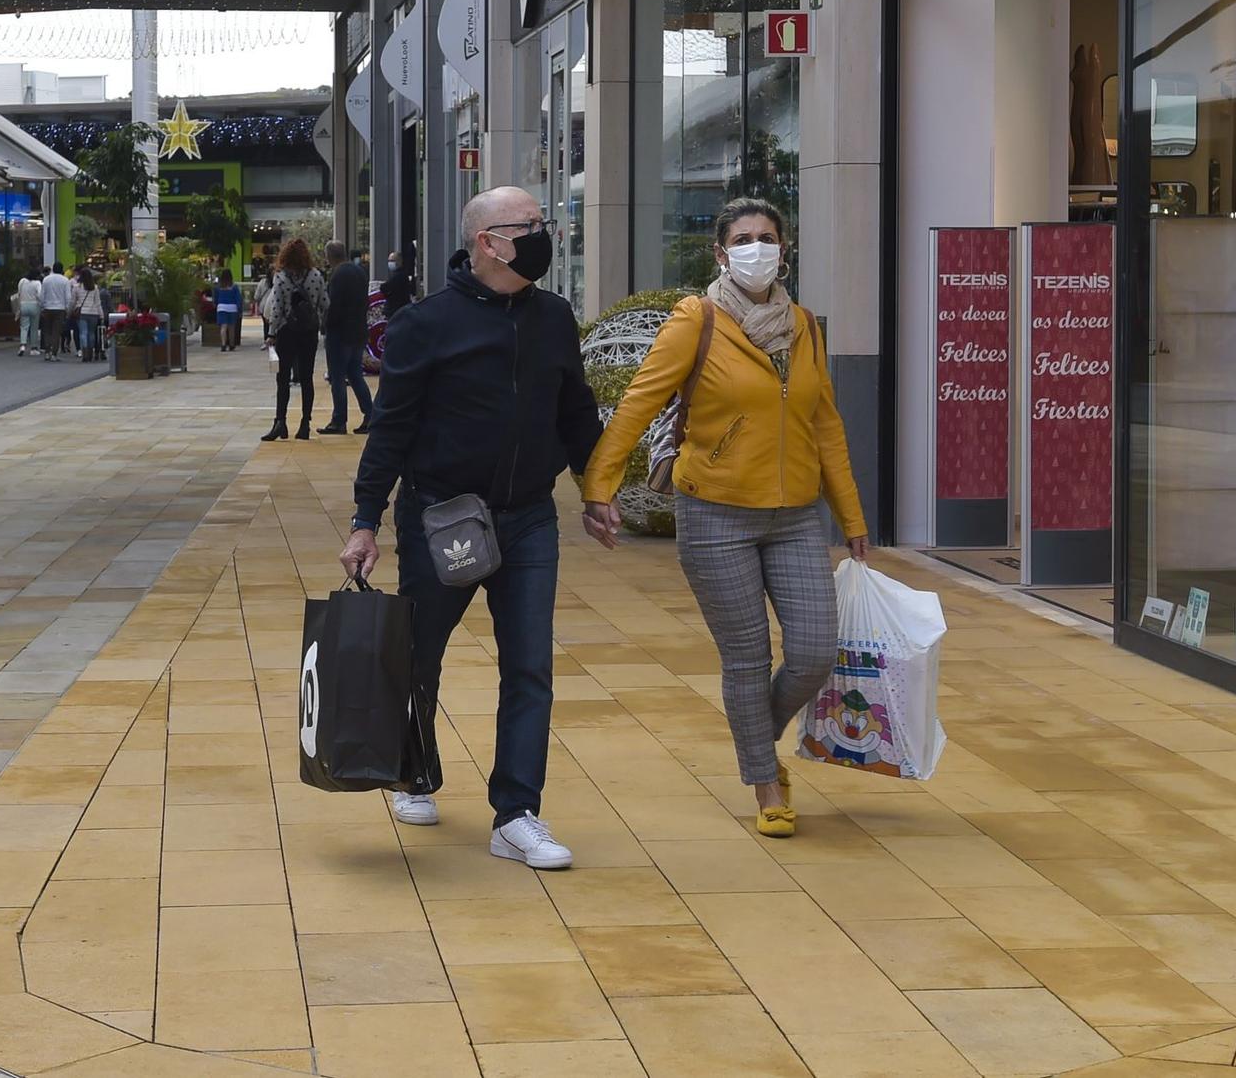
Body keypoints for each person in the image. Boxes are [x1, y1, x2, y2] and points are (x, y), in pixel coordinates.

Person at [582, 198, 869, 839]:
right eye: (744, 238)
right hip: (714, 515)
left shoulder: (802, 326)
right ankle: (766, 782)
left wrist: (851, 515)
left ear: (784, 249)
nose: (757, 248)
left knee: (815, 652)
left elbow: (826, 426)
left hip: (796, 516)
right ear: (721, 252)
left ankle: (754, 739)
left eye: (768, 237)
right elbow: (636, 404)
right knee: (746, 657)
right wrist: (599, 486)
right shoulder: (696, 320)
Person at [339, 187, 600, 871]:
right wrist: (366, 519)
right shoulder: (427, 323)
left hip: (530, 518)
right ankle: (414, 771)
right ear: (489, 241)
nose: (545, 235)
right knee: (420, 655)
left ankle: (516, 812)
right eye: (531, 226)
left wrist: (597, 488)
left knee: (529, 664)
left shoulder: (553, 317)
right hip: (443, 517)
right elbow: (390, 427)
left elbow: (576, 412)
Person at [260, 238, 326, 441]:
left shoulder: (281, 277)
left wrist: (271, 334)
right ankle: (305, 424)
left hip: (286, 332)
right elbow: (325, 303)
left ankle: (280, 422)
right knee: (307, 378)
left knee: (283, 379)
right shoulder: (316, 276)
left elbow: (277, 308)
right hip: (308, 332)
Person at [319, 241, 374, 435]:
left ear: (329, 256)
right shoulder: (359, 272)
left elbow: (334, 306)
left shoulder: (338, 274)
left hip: (340, 333)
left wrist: (325, 325)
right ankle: (370, 415)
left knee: (337, 377)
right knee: (355, 375)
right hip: (358, 330)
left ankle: (339, 420)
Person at [39, 261, 71, 361]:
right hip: (60, 309)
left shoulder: (46, 280)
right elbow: (68, 297)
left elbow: (42, 295)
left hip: (48, 308)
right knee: (56, 332)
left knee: (47, 331)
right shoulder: (65, 280)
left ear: (53, 268)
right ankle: (54, 354)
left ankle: (47, 351)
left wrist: (42, 307)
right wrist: (67, 308)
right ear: (62, 269)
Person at [77, 269, 105, 361]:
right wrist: (101, 315)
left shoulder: (77, 287)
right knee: (91, 333)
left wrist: (69, 311)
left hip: (82, 313)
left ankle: (84, 353)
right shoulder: (95, 288)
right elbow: (98, 303)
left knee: (83, 333)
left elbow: (73, 301)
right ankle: (90, 353)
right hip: (94, 313)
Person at [213, 269, 243, 352]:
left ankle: (223, 344)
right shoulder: (234, 286)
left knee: (223, 327)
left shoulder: (218, 287)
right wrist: (239, 308)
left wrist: (216, 304)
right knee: (231, 328)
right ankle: (231, 345)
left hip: (221, 307)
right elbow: (238, 299)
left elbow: (215, 298)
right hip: (232, 308)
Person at [16, 266, 42, 356]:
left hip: (23, 305)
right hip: (34, 305)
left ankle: (22, 346)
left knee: (24, 327)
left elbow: (19, 293)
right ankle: (33, 348)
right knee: (34, 328)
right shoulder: (37, 283)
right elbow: (39, 295)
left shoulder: (22, 281)